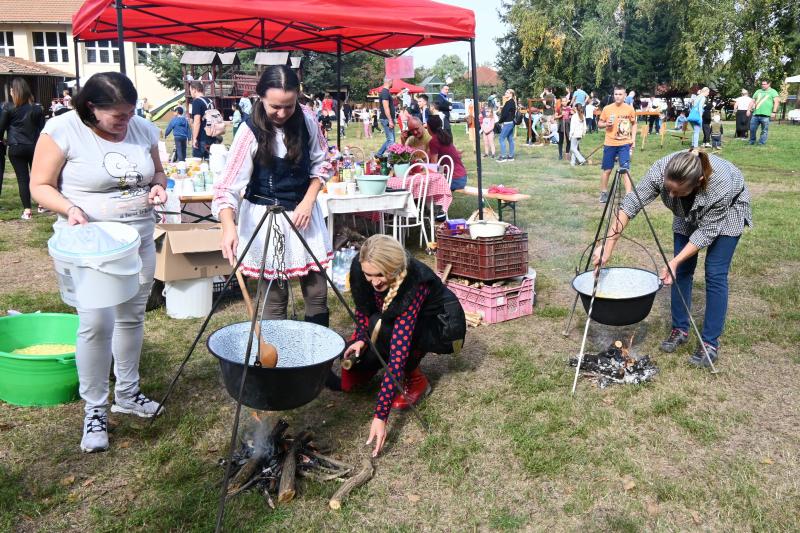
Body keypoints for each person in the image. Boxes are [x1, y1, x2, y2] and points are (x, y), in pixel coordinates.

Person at [29, 72, 168, 452]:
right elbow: (39, 185)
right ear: (91, 108)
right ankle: (95, 409)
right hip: (90, 247)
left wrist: (158, 185)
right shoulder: (63, 130)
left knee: (131, 317)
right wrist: (70, 208)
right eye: (117, 116)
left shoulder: (142, 128)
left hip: (137, 240)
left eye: (130, 113)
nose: (126, 122)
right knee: (95, 323)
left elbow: (157, 170)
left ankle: (128, 392)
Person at [594, 150, 751, 368]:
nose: (672, 195)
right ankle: (680, 329)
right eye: (669, 190)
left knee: (715, 273)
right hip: (685, 212)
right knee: (682, 272)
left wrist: (674, 260)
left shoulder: (720, 184)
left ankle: (710, 343)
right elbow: (630, 205)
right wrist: (608, 246)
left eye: (678, 192)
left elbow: (706, 232)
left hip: (730, 209)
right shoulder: (660, 171)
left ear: (699, 182)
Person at [212, 65, 333, 330]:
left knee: (317, 293)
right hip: (267, 220)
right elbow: (227, 187)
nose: (281, 113)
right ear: (260, 98)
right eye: (275, 107)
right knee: (275, 299)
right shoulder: (249, 131)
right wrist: (228, 227)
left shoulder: (307, 119)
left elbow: (323, 164)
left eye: (288, 106)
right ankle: (278, 366)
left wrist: (309, 199)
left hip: (304, 216)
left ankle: (318, 365)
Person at [338, 234, 465, 457]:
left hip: (443, 327)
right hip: (399, 317)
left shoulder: (413, 284)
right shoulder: (361, 269)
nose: (374, 281)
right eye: (369, 275)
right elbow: (364, 307)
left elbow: (397, 355)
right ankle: (369, 366)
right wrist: (360, 337)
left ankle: (416, 380)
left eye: (380, 275)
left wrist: (380, 416)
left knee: (385, 330)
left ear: (394, 268)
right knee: (370, 333)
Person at [0, 78, 45, 219]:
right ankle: (41, 205)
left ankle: (27, 210)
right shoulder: (37, 108)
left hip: (16, 147)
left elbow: (1, 129)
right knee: (37, 177)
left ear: (14, 91)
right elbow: (43, 129)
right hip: (34, 146)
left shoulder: (8, 108)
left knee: (22, 179)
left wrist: (4, 140)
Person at [597, 85, 636, 203]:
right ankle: (604, 192)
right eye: (616, 94)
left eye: (620, 94)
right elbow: (599, 124)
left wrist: (633, 140)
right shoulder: (607, 109)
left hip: (624, 143)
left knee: (625, 169)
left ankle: (629, 195)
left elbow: (634, 124)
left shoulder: (629, 109)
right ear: (613, 95)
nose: (618, 96)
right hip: (610, 143)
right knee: (607, 170)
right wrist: (605, 124)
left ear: (625, 95)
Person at [426, 115, 467, 191]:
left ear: (428, 127)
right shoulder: (444, 137)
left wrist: (422, 169)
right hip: (462, 177)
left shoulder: (434, 141)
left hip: (453, 179)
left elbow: (433, 165)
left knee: (426, 186)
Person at [749, 79, 779, 146]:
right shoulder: (758, 91)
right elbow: (752, 101)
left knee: (764, 130)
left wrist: (774, 112)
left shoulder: (773, 92)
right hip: (755, 114)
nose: (763, 85)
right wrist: (748, 110)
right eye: (762, 84)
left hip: (766, 115)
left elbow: (776, 102)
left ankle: (761, 143)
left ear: (769, 84)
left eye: (764, 84)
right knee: (752, 129)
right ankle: (752, 141)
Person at [189, 81, 213, 158]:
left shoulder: (196, 102)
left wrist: (194, 138)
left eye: (190, 91)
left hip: (201, 138)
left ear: (194, 90)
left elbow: (197, 122)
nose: (191, 93)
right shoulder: (210, 101)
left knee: (197, 164)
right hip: (212, 136)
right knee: (209, 162)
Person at [376, 77, 395, 157]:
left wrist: (398, 95)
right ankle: (391, 160)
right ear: (389, 81)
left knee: (390, 140)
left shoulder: (386, 92)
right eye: (392, 81)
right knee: (391, 140)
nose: (393, 83)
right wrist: (390, 120)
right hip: (386, 119)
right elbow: (386, 107)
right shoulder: (384, 93)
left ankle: (379, 154)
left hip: (387, 119)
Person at [497, 88, 517, 162]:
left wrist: (500, 121)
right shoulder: (512, 102)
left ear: (511, 94)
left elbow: (505, 114)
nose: (505, 93)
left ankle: (503, 157)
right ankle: (511, 156)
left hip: (508, 123)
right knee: (510, 139)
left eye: (507, 92)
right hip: (510, 123)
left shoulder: (509, 102)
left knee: (501, 138)